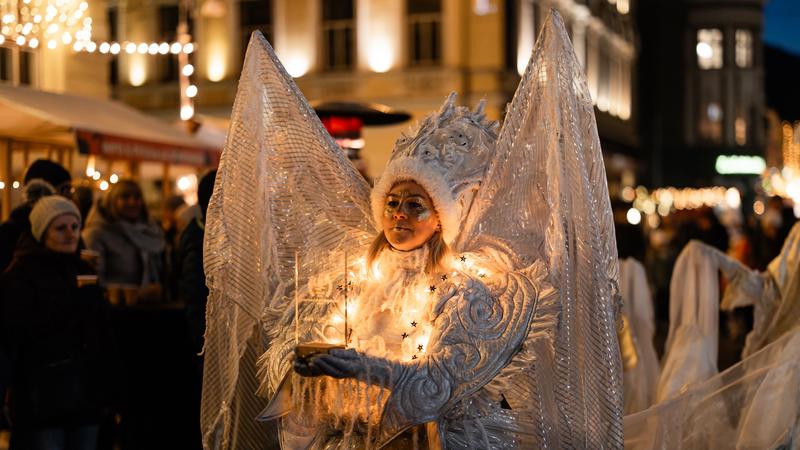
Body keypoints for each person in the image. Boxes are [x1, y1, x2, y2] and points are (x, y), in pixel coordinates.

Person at [201, 12, 623, 450]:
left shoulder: (468, 290)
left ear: (440, 216)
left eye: (415, 205)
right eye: (392, 203)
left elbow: (438, 384)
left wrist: (363, 368)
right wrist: (312, 369)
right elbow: (297, 367)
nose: (399, 215)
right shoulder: (349, 277)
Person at [0, 196, 116, 450]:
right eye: (60, 228)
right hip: (41, 396)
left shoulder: (83, 270)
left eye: (74, 226)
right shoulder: (19, 276)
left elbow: (100, 333)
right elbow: (14, 336)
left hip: (85, 393)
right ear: (42, 232)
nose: (70, 234)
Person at [82, 180, 165, 302]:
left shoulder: (150, 231)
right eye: (125, 197)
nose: (132, 202)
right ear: (112, 201)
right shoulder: (97, 233)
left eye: (137, 197)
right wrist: (134, 293)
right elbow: (92, 280)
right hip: (114, 308)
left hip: (149, 306)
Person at [0, 159, 72, 272]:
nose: (69, 196)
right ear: (44, 192)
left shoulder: (68, 226)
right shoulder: (11, 232)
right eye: (64, 189)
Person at [176, 170, 216, 355]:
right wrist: (205, 345)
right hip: (207, 341)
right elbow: (195, 296)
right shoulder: (199, 242)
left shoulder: (210, 235)